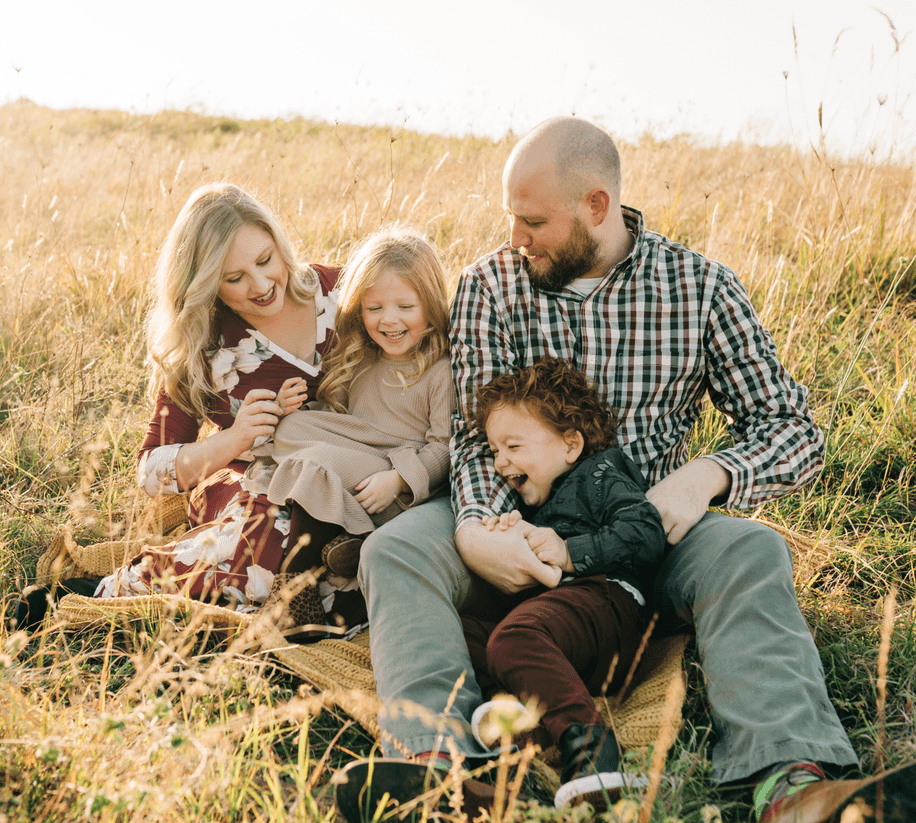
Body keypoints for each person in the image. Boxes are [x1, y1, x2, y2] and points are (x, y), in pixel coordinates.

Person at [336, 116, 912, 823]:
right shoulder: (492, 283)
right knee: (395, 548)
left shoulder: (700, 288)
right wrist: (482, 528)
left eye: (534, 220)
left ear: (597, 207)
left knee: (751, 547)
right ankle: (438, 769)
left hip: (645, 533)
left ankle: (793, 783)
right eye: (511, 218)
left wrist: (708, 475)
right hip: (516, 522)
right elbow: (469, 430)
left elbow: (791, 428)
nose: (516, 237)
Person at [82, 181, 338, 613]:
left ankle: (237, 597)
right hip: (251, 484)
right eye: (234, 278)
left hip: (351, 470)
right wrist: (234, 440)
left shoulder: (340, 291)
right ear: (206, 284)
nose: (260, 285)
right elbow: (151, 471)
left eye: (265, 260)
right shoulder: (203, 343)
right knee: (272, 532)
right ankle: (109, 593)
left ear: (278, 241)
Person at [460, 357, 666, 809]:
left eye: (513, 446)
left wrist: (573, 552)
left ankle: (595, 753)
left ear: (571, 444)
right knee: (468, 628)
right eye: (495, 451)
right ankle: (515, 718)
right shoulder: (537, 499)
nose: (500, 463)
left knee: (515, 637)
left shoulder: (600, 474)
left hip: (608, 605)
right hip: (562, 634)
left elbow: (646, 531)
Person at [234, 224, 452, 615]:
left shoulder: (439, 370)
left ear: (432, 305)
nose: (389, 320)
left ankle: (294, 595)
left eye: (406, 307)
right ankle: (345, 537)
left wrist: (399, 479)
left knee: (318, 465)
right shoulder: (364, 358)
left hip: (390, 475)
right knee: (293, 427)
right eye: (375, 309)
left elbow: (444, 447)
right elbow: (342, 422)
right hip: (357, 452)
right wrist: (288, 409)